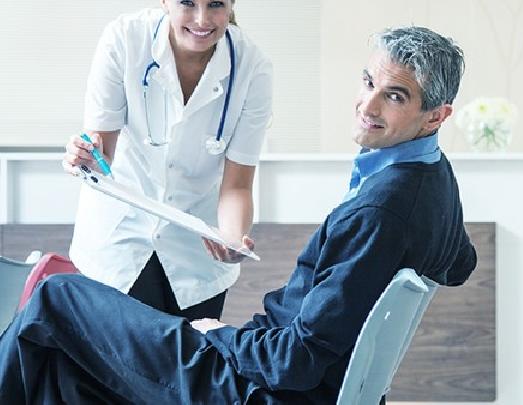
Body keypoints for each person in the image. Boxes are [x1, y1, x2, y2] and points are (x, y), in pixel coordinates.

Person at [0, 26, 477, 404]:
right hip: (280, 373)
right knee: (62, 364)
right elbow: (460, 263)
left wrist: (220, 335)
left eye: (395, 96)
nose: (367, 105)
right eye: (369, 82)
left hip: (257, 388)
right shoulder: (433, 176)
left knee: (57, 296)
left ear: (436, 116)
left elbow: (295, 362)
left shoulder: (380, 211)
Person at [61, 0, 273, 319]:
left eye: (215, 4)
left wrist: (232, 238)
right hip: (121, 234)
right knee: (120, 348)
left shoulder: (253, 68)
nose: (201, 19)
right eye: (187, 3)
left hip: (197, 247)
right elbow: (102, 149)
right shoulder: (125, 39)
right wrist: (86, 157)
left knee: (192, 349)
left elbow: (237, 185)